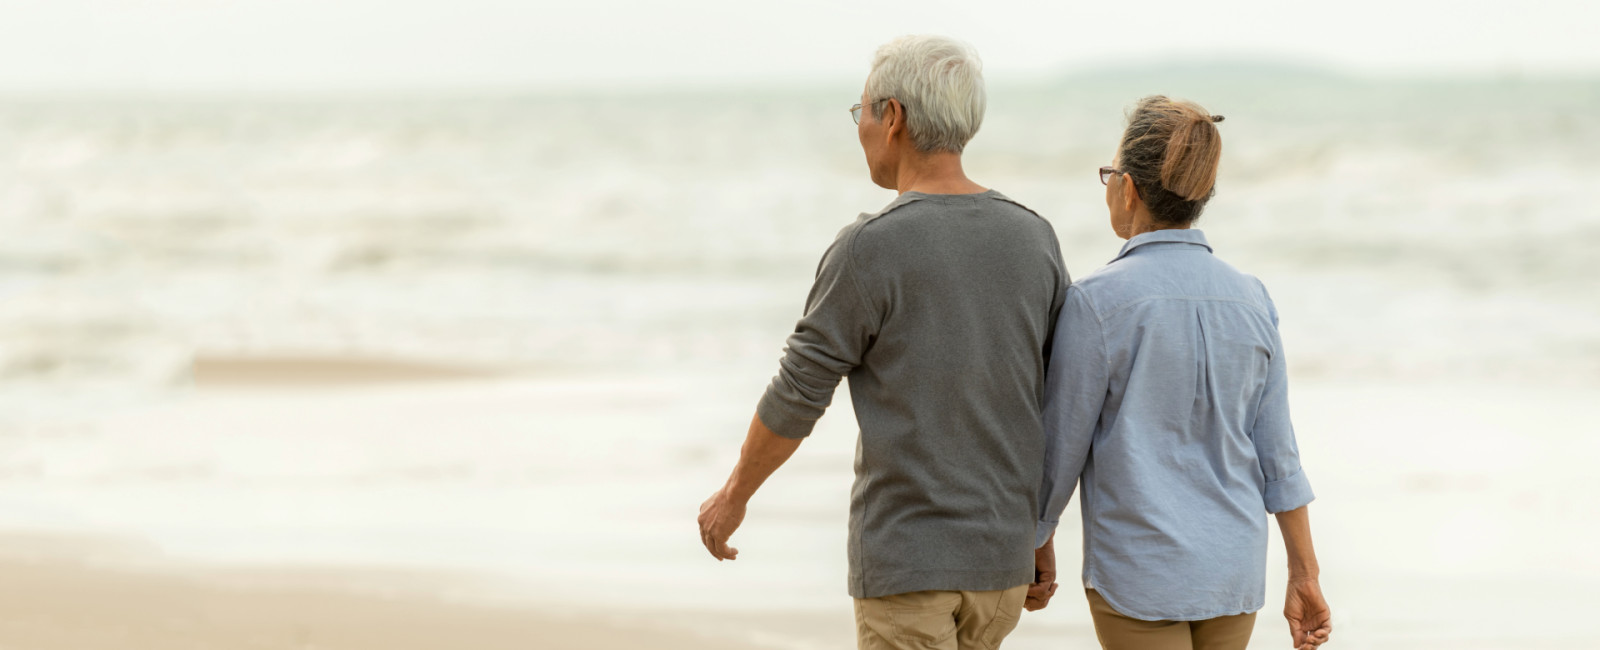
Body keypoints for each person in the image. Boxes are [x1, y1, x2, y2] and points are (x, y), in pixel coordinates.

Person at [696, 35, 1069, 650]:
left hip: (909, 565)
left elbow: (799, 392)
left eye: (862, 111)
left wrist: (733, 496)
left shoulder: (870, 248)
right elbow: (1045, 402)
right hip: (1001, 567)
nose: (861, 128)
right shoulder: (1035, 238)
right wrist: (1040, 532)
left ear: (892, 118)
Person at [1028, 96, 1333, 650]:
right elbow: (1278, 457)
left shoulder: (1095, 304)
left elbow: (1060, 451)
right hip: (1233, 569)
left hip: (1139, 570)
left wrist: (1036, 538)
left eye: (1109, 175)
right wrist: (1305, 574)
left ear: (1128, 188)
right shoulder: (1251, 299)